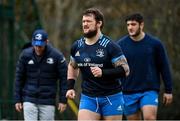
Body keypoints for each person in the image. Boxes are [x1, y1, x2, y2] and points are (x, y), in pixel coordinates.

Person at [66, 8, 130, 120]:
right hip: (88, 97)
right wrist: (70, 87)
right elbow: (72, 65)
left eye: (89, 21)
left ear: (99, 23)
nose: (85, 24)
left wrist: (103, 73)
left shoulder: (110, 46)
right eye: (83, 21)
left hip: (112, 97)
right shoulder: (77, 46)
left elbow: (125, 70)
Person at [117, 13, 173, 120]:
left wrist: (168, 90)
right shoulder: (120, 46)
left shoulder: (155, 44)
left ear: (141, 25)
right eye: (128, 25)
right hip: (127, 92)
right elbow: (115, 70)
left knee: (149, 118)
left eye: (133, 24)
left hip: (149, 90)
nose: (130, 27)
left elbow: (164, 67)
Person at [14, 29, 68, 121]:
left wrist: (63, 100)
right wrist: (17, 99)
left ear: (47, 42)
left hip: (48, 100)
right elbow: (19, 78)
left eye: (40, 46)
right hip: (29, 98)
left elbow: (64, 79)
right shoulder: (25, 55)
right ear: (32, 42)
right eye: (36, 45)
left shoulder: (57, 56)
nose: (38, 48)